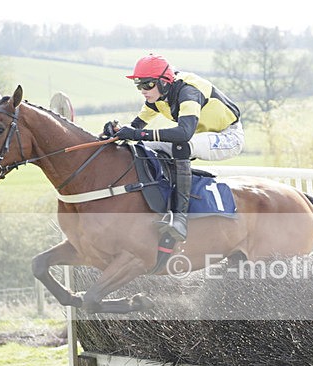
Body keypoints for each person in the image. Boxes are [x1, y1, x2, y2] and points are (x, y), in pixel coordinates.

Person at [103, 53, 244, 242]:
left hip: (228, 136)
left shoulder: (189, 92)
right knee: (143, 146)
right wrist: (116, 132)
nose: (143, 90)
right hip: (200, 135)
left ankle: (180, 218)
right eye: (139, 85)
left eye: (147, 84)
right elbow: (136, 128)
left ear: (163, 82)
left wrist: (136, 134)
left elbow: (183, 133)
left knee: (181, 146)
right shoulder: (159, 96)